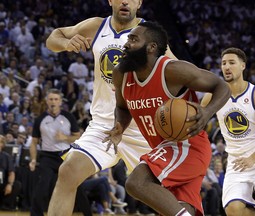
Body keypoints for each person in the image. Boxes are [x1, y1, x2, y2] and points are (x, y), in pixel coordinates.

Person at [45, 1, 178, 215]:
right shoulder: (96, 26)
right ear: (110, 0)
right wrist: (66, 44)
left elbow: (177, 70)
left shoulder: (150, 35)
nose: (125, 1)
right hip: (104, 125)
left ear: (139, 3)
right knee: (68, 171)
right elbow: (53, 37)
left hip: (143, 128)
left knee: (171, 196)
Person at [105, 21, 230, 216]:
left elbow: (222, 87)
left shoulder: (173, 70)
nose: (126, 44)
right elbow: (122, 107)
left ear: (151, 47)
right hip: (165, 149)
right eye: (128, 38)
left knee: (137, 182)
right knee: (182, 210)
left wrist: (207, 113)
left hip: (187, 145)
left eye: (134, 39)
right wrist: (119, 125)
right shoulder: (121, 73)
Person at [201, 47, 255, 216]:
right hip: (237, 162)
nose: (226, 67)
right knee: (233, 211)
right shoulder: (213, 95)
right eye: (224, 63)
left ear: (243, 66)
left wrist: (253, 158)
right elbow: (197, 119)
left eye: (232, 63)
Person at [28, 88, 91, 216]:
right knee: (42, 185)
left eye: (56, 99)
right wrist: (33, 159)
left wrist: (65, 138)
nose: (53, 102)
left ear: (60, 102)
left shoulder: (68, 117)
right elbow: (34, 142)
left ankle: (88, 214)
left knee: (77, 187)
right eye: (51, 99)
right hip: (47, 156)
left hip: (66, 155)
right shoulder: (40, 119)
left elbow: (78, 136)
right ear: (46, 101)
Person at [0, 135, 21, 210]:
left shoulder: (6, 156)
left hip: (2, 182)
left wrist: (9, 184)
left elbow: (11, 172)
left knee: (16, 185)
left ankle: (6, 205)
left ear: (2, 144)